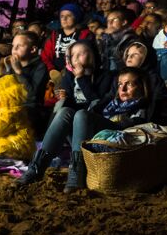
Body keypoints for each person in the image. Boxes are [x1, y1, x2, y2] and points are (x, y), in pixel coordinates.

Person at [20, 40, 114, 192]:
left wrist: (82, 79)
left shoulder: (107, 76)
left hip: (98, 126)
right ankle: (36, 168)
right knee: (65, 112)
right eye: (73, 55)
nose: (76, 58)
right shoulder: (69, 78)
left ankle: (77, 172)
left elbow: (97, 105)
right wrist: (66, 98)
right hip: (78, 131)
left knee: (82, 114)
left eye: (82, 53)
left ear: (93, 56)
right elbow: (71, 109)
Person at [41, 4, 87, 71]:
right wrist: (51, 69)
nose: (64, 19)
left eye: (69, 16)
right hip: (54, 70)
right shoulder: (55, 35)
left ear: (76, 17)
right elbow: (45, 56)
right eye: (62, 16)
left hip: (76, 70)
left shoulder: (84, 34)